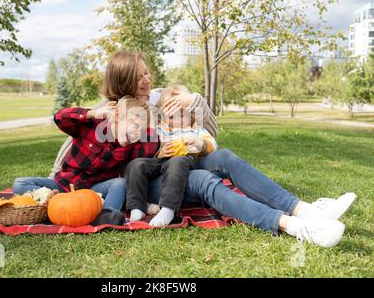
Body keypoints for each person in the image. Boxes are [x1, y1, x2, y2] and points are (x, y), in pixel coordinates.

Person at [50, 50, 357, 247]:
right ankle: (294, 227)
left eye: (147, 72)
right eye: (139, 75)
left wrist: (194, 99)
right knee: (204, 182)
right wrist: (57, 178)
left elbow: (208, 125)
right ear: (123, 80)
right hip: (149, 181)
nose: (147, 79)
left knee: (222, 156)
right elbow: (79, 139)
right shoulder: (113, 110)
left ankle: (308, 210)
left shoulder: (158, 98)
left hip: (181, 160)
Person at [12, 95, 159, 226]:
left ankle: (106, 215)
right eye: (135, 125)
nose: (136, 133)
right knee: (20, 183)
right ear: (117, 116)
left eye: (141, 130)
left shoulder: (131, 145)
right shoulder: (91, 125)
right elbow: (59, 117)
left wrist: (151, 122)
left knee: (120, 184)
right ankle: (55, 204)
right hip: (63, 185)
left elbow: (149, 151)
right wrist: (91, 113)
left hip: (93, 193)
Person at [126, 85, 218, 227]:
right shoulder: (160, 129)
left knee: (176, 162)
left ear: (191, 113)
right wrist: (160, 152)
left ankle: (168, 209)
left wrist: (200, 143)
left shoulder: (195, 128)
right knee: (136, 164)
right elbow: (151, 149)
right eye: (170, 116)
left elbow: (212, 144)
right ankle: (137, 206)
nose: (176, 120)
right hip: (161, 160)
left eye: (181, 115)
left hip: (184, 161)